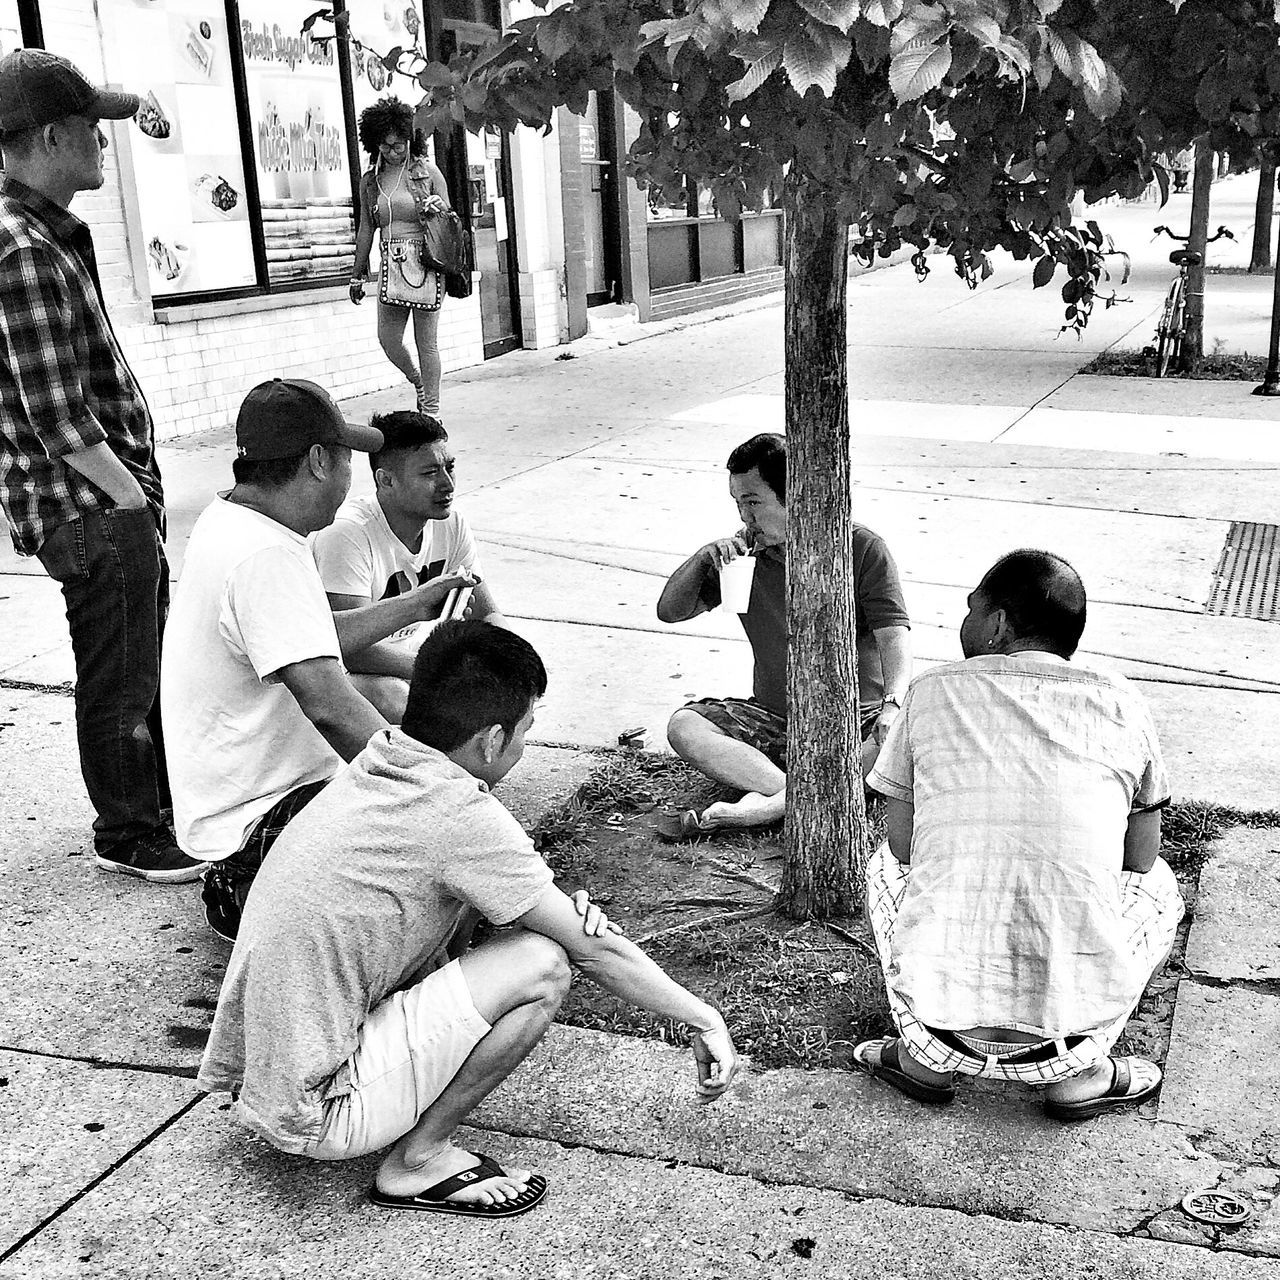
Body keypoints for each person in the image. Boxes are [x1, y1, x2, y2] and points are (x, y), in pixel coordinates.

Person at [197, 620, 738, 1216]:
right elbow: (593, 951)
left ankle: (398, 1108)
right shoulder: (457, 813)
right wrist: (701, 1016)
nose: (526, 745)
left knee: (524, 928)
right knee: (544, 964)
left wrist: (548, 908)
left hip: (263, 1071)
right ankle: (418, 1161)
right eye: (526, 731)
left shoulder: (383, 760)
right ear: (491, 740)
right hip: (317, 1107)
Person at [857, 549, 1183, 1121]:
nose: (964, 623)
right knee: (1156, 884)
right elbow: (1141, 856)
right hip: (1065, 1046)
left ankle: (920, 1060)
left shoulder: (931, 692)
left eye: (971, 610)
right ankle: (1086, 1075)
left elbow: (907, 847)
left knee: (887, 863)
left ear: (999, 623)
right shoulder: (1122, 700)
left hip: (940, 1031)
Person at [160, 379, 475, 942]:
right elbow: (331, 706)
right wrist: (434, 792)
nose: (354, 479)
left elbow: (306, 635)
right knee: (447, 873)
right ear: (317, 462)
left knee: (449, 853)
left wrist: (415, 601)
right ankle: (250, 897)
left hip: (260, 804)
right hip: (259, 823)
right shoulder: (265, 554)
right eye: (350, 460)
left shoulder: (236, 520)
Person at [0, 50, 198, 882]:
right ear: (49, 134)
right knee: (118, 675)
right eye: (90, 127)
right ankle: (129, 832)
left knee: (136, 663)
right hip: (89, 504)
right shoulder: (22, 250)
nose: (103, 144)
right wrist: (132, 508)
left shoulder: (46, 235)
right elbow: (60, 420)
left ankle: (150, 806)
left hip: (99, 501)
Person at [656, 432, 911, 833]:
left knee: (899, 738)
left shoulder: (860, 547)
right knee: (684, 726)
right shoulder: (742, 558)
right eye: (738, 503)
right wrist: (704, 558)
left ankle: (771, 805)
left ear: (795, 496)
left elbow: (894, 635)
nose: (745, 517)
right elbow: (670, 612)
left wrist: (893, 705)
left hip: (855, 719)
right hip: (774, 717)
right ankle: (795, 797)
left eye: (753, 502)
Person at [313, 410, 506, 722]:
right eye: (430, 473)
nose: (447, 484)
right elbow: (353, 650)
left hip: (415, 665)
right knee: (398, 699)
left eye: (450, 468)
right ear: (386, 480)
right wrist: (440, 676)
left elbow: (487, 613)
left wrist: (511, 665)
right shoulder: (347, 534)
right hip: (350, 679)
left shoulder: (451, 523)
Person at [350, 97, 451, 418]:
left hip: (425, 262)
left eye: (399, 144)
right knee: (388, 339)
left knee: (427, 344)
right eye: (386, 146)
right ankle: (419, 383)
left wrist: (437, 208)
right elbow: (367, 228)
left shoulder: (428, 172)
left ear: (411, 139)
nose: (393, 151)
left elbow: (450, 218)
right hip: (390, 266)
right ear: (375, 143)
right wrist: (357, 274)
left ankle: (432, 412)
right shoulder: (371, 181)